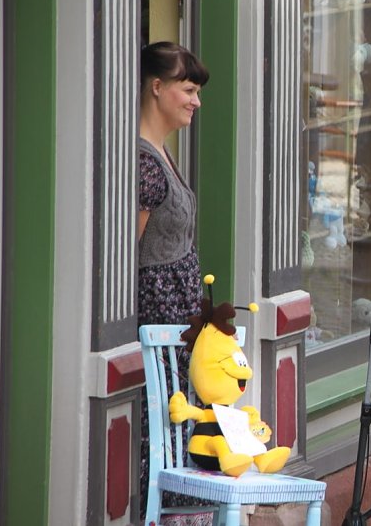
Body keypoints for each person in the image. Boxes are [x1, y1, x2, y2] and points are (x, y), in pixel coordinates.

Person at [137, 41, 209, 521]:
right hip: (158, 323)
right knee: (161, 435)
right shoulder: (143, 162)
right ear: (156, 86)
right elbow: (126, 256)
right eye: (188, 89)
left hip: (177, 330)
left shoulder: (160, 152)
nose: (196, 101)